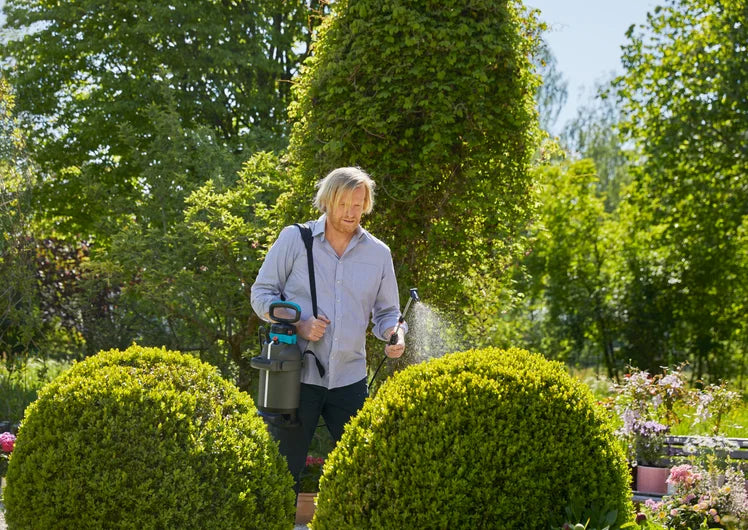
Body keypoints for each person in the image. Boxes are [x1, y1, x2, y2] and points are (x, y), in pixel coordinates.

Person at [250, 166, 406, 495]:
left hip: (350, 380)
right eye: (343, 204)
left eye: (357, 205)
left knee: (367, 474)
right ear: (327, 201)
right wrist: (300, 322)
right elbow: (261, 295)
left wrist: (395, 333)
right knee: (281, 477)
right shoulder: (295, 239)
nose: (350, 213)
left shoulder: (379, 254)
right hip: (295, 379)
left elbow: (388, 313)